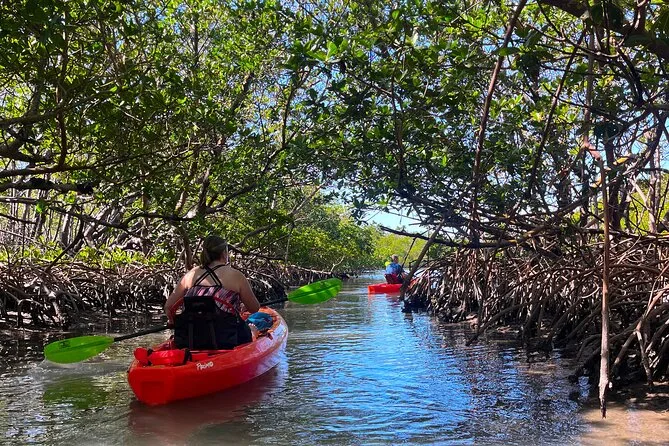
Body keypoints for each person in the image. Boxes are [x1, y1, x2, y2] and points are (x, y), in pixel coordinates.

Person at [164, 235, 261, 350]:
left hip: (190, 339)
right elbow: (254, 308)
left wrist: (172, 321)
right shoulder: (236, 276)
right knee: (254, 327)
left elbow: (168, 307)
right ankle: (253, 331)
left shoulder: (190, 275)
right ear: (224, 253)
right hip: (227, 340)